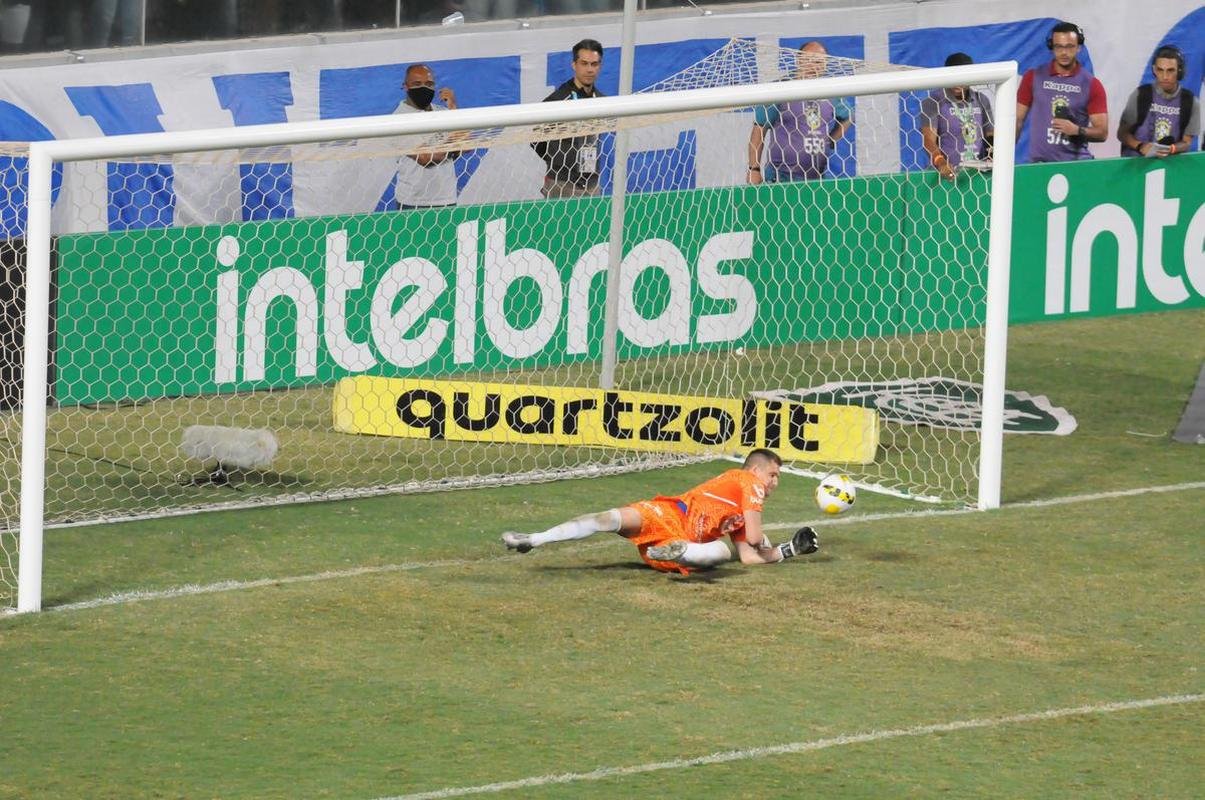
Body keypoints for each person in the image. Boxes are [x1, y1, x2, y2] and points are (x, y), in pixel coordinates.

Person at [501, 449, 820, 574]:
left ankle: (534, 538)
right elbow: (752, 541)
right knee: (721, 554)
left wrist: (788, 550)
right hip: (680, 534)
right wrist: (768, 541)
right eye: (773, 474)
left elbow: (750, 557)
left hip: (666, 515)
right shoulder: (750, 482)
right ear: (756, 470)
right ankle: (680, 553)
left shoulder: (734, 493)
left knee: (608, 519)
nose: (774, 482)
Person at [747, 41, 853, 184]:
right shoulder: (779, 90)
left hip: (817, 179)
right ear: (798, 60)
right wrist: (754, 169)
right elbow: (758, 132)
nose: (813, 66)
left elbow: (847, 117)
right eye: (808, 60)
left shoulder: (830, 92)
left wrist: (831, 140)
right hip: (780, 178)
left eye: (818, 62)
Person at [1015, 21, 1107, 163]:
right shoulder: (1033, 77)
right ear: (1052, 47)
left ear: (1079, 48)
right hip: (1039, 166)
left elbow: (1102, 132)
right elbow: (1017, 121)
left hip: (1076, 166)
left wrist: (1077, 130)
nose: (1064, 52)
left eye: (1070, 47)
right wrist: (1001, 154)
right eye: (1059, 47)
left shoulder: (1092, 85)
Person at [533, 39, 605, 199]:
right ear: (574, 65)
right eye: (584, 63)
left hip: (592, 183)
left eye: (594, 64)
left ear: (600, 66)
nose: (589, 69)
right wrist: (557, 160)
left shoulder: (601, 99)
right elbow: (535, 138)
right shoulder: (559, 99)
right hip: (562, 184)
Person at [392, 63, 462, 210]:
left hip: (447, 198)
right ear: (406, 86)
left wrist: (454, 109)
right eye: (417, 83)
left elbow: (467, 144)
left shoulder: (443, 112)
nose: (424, 88)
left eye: (429, 84)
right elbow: (426, 158)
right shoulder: (399, 119)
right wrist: (454, 146)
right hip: (413, 202)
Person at [1117, 45, 1200, 158]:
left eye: (1170, 71)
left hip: (1169, 164)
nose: (1165, 76)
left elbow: (1186, 143)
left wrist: (1171, 149)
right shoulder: (1140, 94)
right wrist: (1140, 146)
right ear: (1154, 70)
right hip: (1136, 163)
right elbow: (1122, 133)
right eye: (1160, 70)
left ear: (1179, 72)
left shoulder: (1190, 102)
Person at [920, 52, 994, 180]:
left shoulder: (981, 99)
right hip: (945, 175)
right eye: (954, 76)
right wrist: (940, 161)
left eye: (963, 77)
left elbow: (991, 135)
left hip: (977, 175)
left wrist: (993, 156)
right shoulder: (933, 101)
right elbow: (928, 140)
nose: (958, 82)